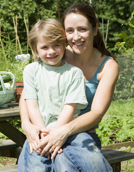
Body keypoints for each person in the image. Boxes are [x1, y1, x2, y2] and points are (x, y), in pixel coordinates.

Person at [18, 3, 119, 172]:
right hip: (44, 131)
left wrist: (60, 132)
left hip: (81, 133)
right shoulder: (57, 55)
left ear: (95, 29)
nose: (76, 36)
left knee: (75, 170)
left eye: (82, 29)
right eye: (70, 30)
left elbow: (96, 113)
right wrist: (26, 123)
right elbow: (27, 97)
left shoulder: (107, 66)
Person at [23, 18, 88, 151]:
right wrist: (43, 133)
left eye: (56, 45)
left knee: (73, 162)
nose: (51, 51)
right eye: (45, 47)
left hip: (68, 131)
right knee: (36, 170)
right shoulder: (31, 71)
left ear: (64, 44)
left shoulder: (74, 73)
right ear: (35, 49)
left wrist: (55, 134)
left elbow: (69, 107)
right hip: (38, 131)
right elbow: (32, 106)